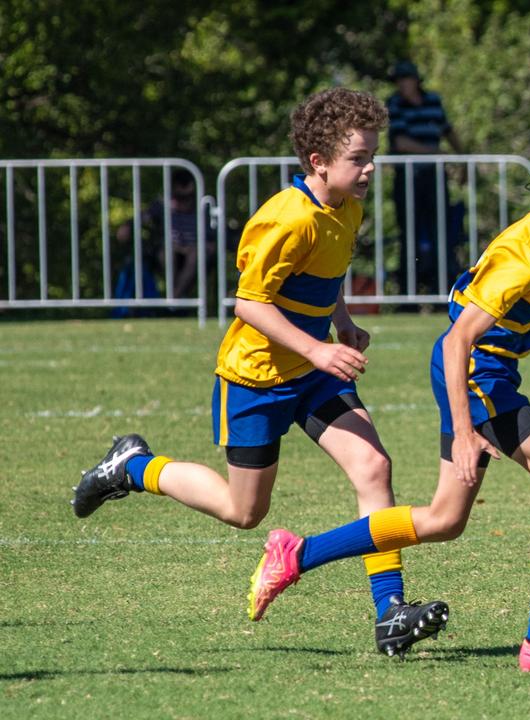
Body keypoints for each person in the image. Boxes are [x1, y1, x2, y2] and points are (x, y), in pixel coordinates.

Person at [244, 122, 530, 672]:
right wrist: (467, 428)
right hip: (475, 373)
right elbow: (457, 342)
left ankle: (298, 554)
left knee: (445, 519)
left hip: (492, 374)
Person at [73, 88, 447, 658]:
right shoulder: (284, 218)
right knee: (243, 512)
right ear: (318, 162)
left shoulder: (348, 205)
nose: (371, 167)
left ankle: (390, 612)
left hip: (311, 371)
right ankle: (134, 466)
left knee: (373, 465)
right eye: (359, 158)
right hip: (255, 378)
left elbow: (328, 274)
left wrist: (341, 323)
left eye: (374, 156)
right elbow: (250, 303)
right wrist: (319, 350)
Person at [386, 60, 467, 299]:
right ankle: (407, 295)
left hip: (433, 175)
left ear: (415, 80)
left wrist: (463, 158)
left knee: (440, 231)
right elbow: (400, 142)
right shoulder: (395, 104)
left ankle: (442, 291)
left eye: (406, 79)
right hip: (409, 176)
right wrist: (437, 153)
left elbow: (448, 131)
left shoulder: (432, 101)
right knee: (408, 233)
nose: (402, 85)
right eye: (399, 81)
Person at [111, 168, 208, 316]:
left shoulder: (200, 204)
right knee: (166, 254)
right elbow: (145, 216)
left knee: (197, 255)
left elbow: (213, 230)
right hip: (168, 248)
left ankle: (174, 299)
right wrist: (128, 226)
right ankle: (175, 301)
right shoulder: (163, 204)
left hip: (193, 248)